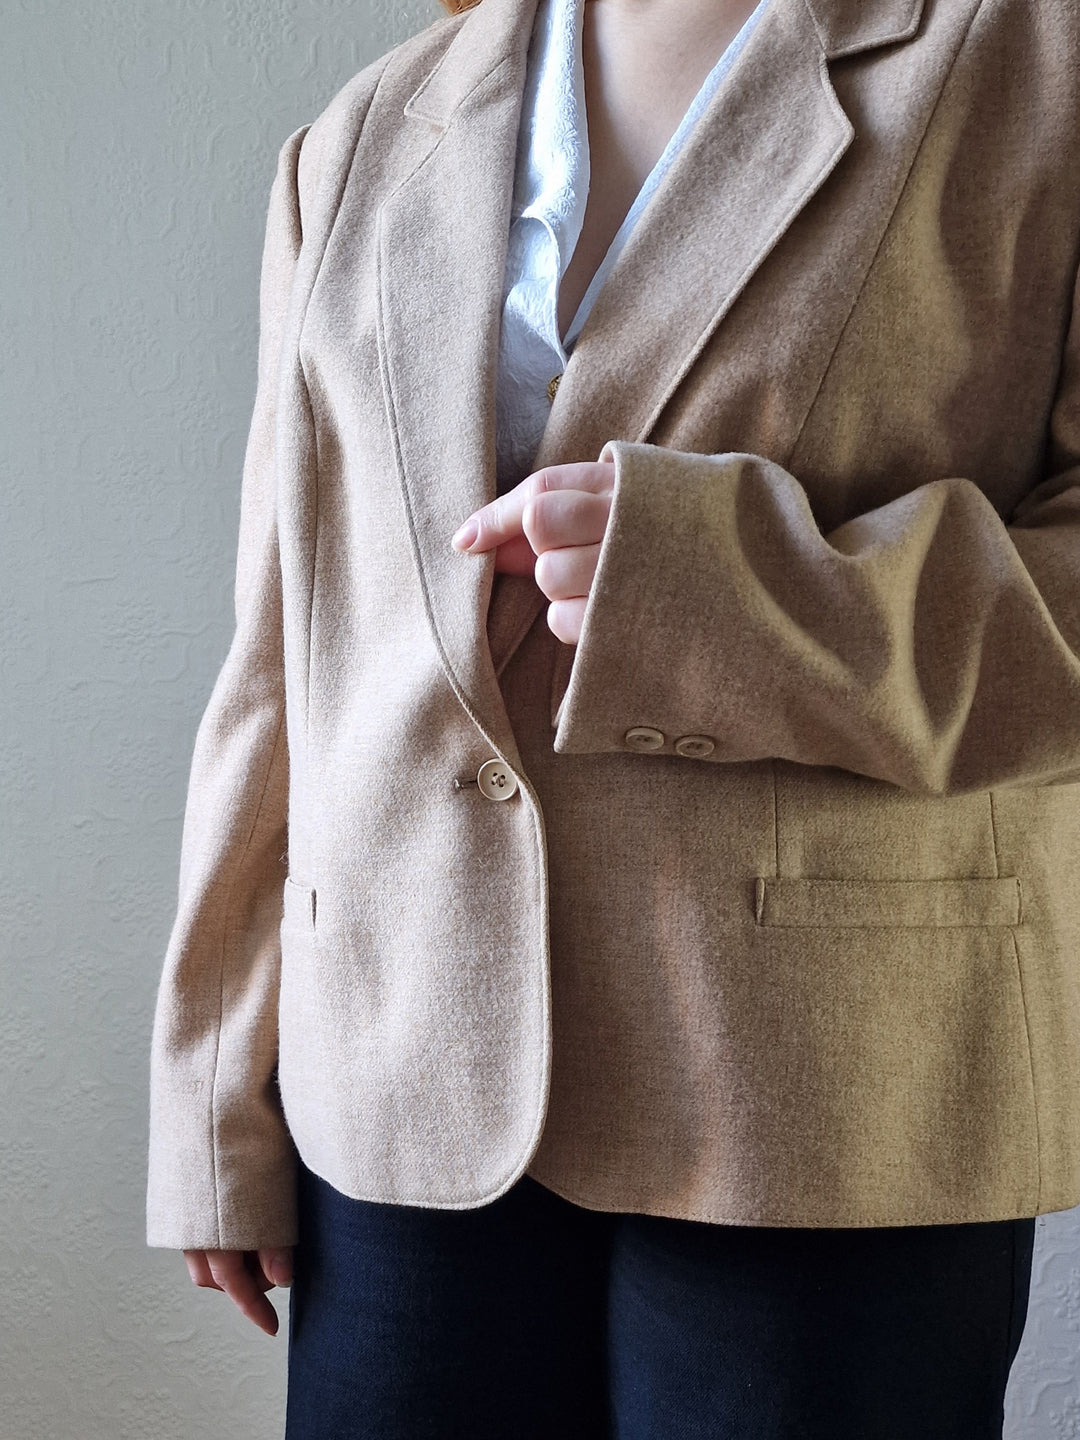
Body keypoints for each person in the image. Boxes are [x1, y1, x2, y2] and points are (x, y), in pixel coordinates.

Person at [147, 0, 1080, 1433]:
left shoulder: (1032, 67)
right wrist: (213, 1087)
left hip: (822, 1105)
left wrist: (739, 596)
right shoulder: (356, 140)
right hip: (401, 1094)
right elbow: (287, 650)